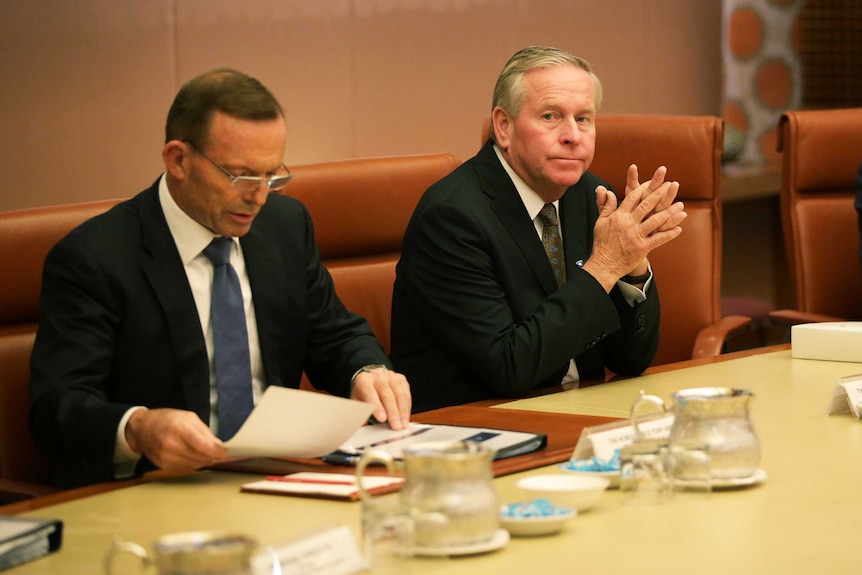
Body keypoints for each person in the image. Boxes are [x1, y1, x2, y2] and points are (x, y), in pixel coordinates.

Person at [29, 68, 411, 488]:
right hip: (155, 487)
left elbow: (333, 335)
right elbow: (57, 407)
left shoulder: (284, 226)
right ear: (178, 159)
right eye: (241, 176)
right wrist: (137, 427)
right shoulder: (96, 258)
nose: (259, 196)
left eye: (272, 176)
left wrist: (367, 370)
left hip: (279, 476)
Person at [390, 46, 687, 412]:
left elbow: (631, 360)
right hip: (476, 431)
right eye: (551, 116)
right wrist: (607, 266)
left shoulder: (589, 196)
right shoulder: (452, 218)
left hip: (579, 415)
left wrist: (633, 266)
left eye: (584, 119)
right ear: (504, 126)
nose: (572, 135)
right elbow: (509, 368)